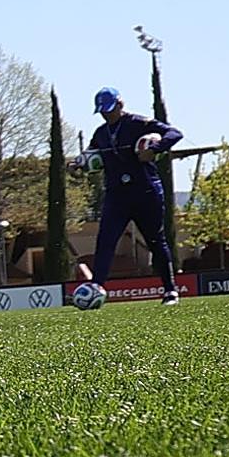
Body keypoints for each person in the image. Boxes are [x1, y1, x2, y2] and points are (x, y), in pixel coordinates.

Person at [81, 86, 184, 302]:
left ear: (120, 104)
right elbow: (90, 156)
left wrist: (155, 149)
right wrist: (78, 165)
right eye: (102, 111)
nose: (106, 114)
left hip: (145, 191)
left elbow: (175, 133)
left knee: (156, 241)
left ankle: (170, 290)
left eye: (109, 109)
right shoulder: (100, 133)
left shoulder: (139, 123)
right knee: (106, 240)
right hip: (116, 195)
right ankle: (97, 286)